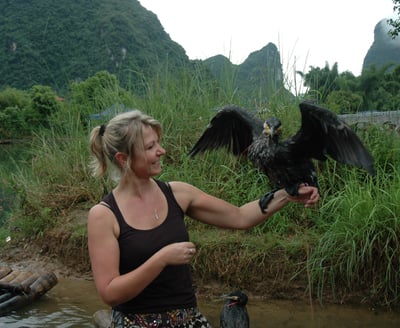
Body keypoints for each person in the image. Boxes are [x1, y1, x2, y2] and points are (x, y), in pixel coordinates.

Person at [87, 109, 320, 328]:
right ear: (123, 158)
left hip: (190, 321)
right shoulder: (104, 215)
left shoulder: (178, 194)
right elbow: (110, 293)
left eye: (158, 142)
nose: (162, 150)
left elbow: (240, 216)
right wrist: (162, 259)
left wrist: (288, 194)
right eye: (150, 146)